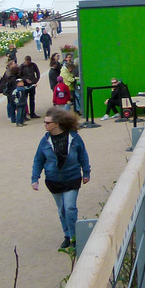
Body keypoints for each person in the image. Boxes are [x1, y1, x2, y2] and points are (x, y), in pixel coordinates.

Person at [31, 107, 91, 250]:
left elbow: (83, 155)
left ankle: (74, 237)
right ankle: (67, 235)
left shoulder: (74, 138)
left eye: (47, 123)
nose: (45, 125)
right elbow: (38, 160)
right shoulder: (44, 141)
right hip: (53, 180)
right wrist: (35, 178)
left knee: (70, 207)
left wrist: (86, 172)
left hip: (72, 177)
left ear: (57, 123)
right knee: (61, 210)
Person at [19, 55, 41, 120]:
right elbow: (19, 75)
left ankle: (32, 113)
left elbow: (38, 73)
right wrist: (25, 79)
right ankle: (25, 114)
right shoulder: (22, 66)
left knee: (32, 99)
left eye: (28, 62)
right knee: (24, 99)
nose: (26, 63)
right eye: (26, 62)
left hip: (32, 84)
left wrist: (35, 81)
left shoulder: (33, 65)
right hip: (25, 85)